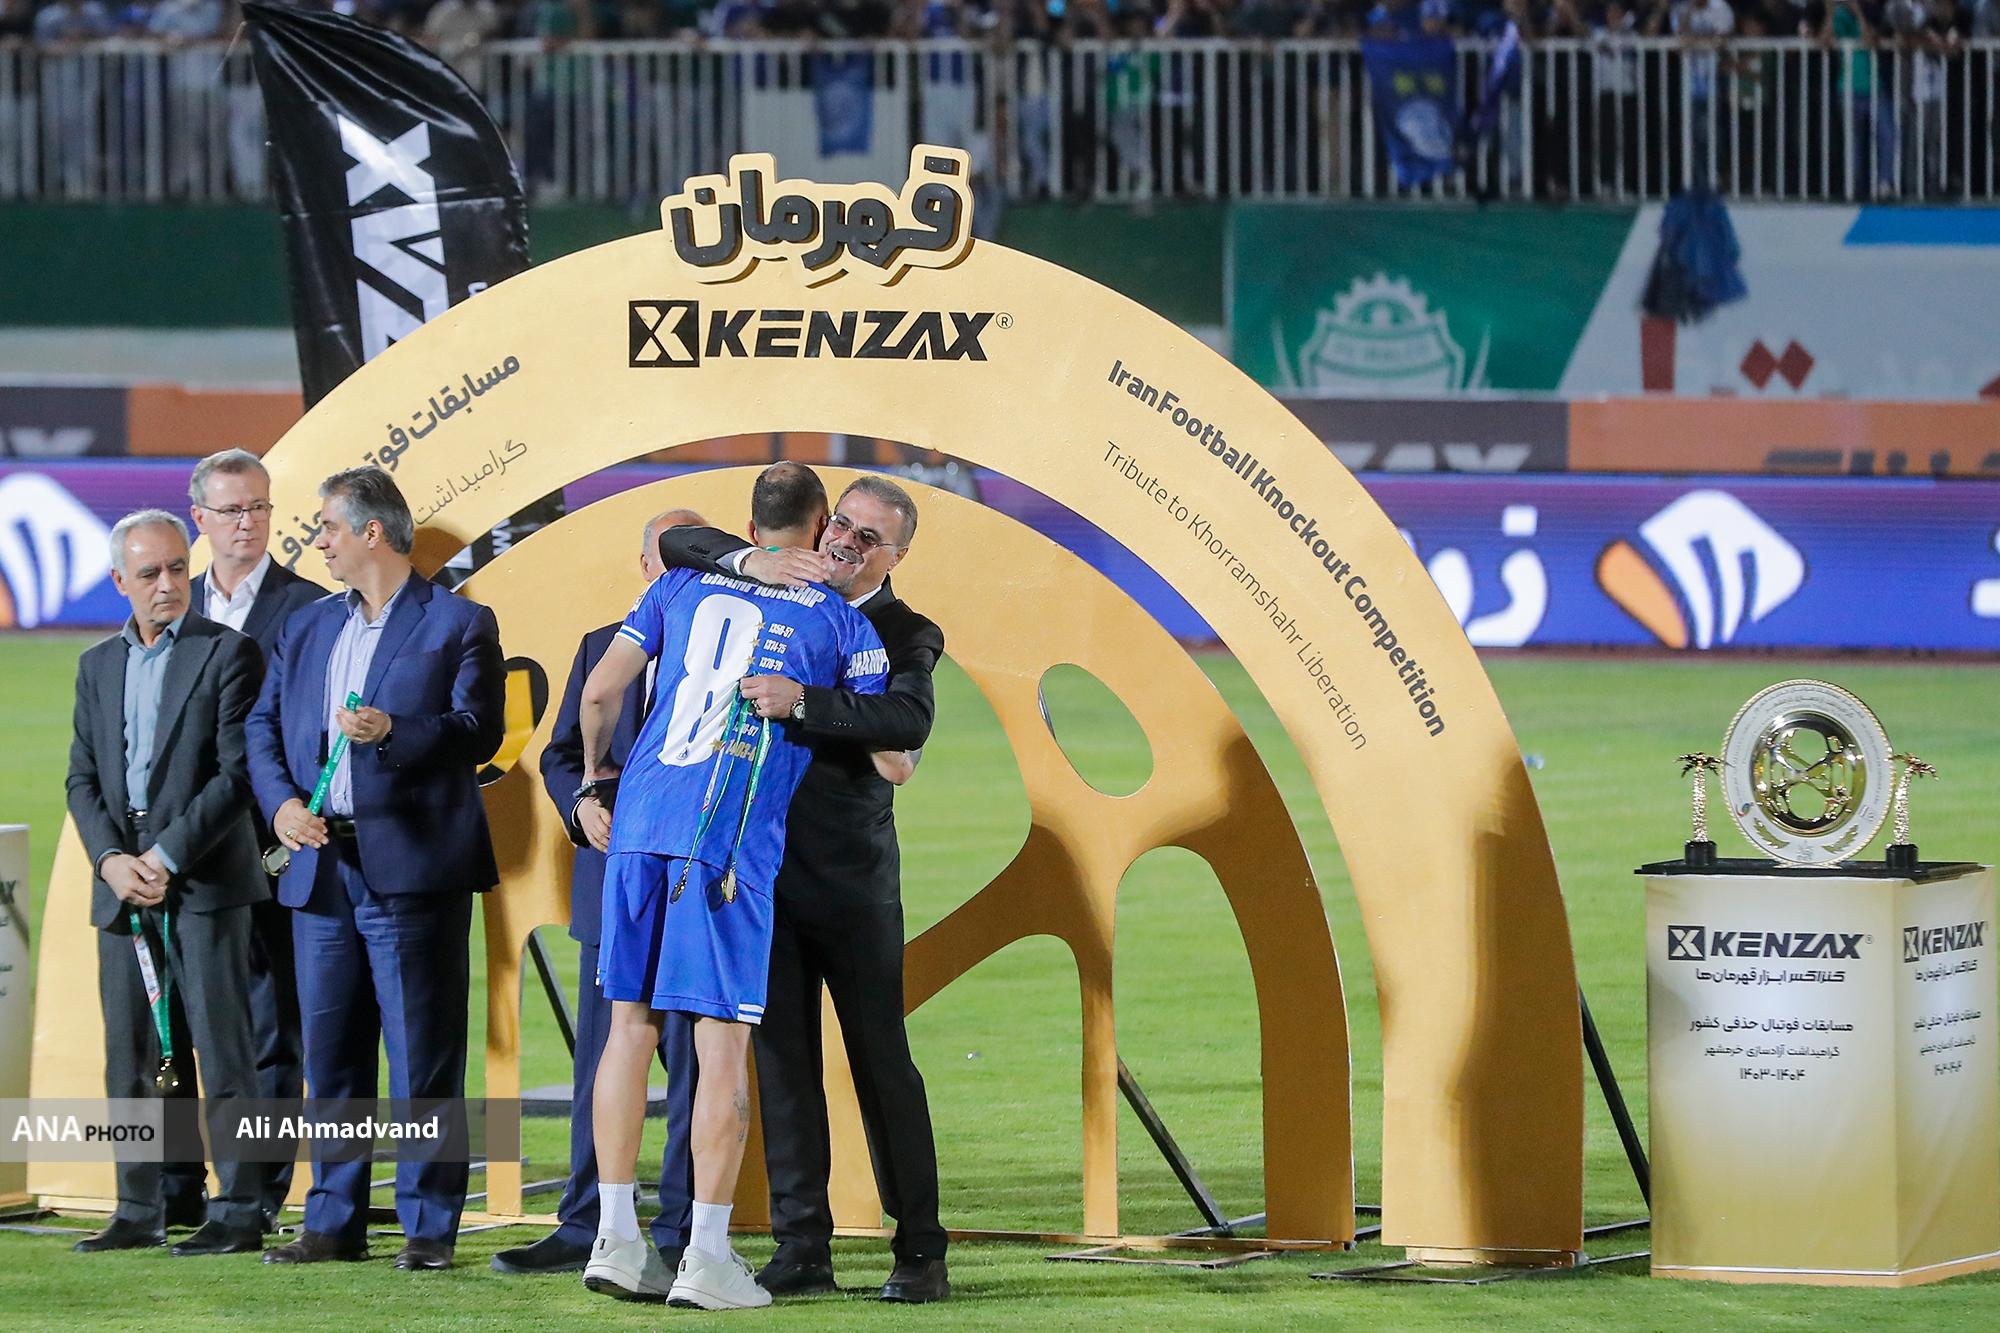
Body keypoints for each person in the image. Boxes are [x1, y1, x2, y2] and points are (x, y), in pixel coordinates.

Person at [580, 462, 888, 1311]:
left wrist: (597, 777)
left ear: (750, 529)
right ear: (821, 527)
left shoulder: (678, 583)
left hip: (639, 824)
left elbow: (602, 690)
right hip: (725, 841)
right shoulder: (839, 618)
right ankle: (707, 1255)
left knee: (628, 1030)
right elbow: (892, 753)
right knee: (720, 1047)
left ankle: (616, 1238)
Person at [657, 473, 950, 1303]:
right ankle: (801, 1246)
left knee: (880, 1061)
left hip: (852, 884)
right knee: (782, 1065)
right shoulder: (770, 587)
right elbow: (678, 541)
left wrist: (804, 703)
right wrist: (753, 559)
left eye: (869, 537)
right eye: (843, 525)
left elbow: (908, 722)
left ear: (898, 555)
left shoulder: (905, 628)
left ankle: (921, 1250)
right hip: (761, 875)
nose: (847, 542)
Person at [246, 466, 505, 1271]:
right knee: (332, 1056)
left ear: (371, 531)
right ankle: (333, 1219)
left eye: (328, 526)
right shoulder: (306, 625)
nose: (317, 541)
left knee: (423, 1057)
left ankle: (429, 1227)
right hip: (320, 867)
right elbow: (261, 725)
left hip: (414, 868)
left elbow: (480, 730)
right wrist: (282, 806)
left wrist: (395, 728)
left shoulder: (459, 621)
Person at [489, 507, 708, 1282]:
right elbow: (558, 756)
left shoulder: (728, 651)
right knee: (600, 1061)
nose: (679, 571)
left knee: (694, 1063)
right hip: (609, 887)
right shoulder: (598, 646)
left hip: (690, 887)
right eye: (668, 557)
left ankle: (682, 1228)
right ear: (644, 566)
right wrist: (581, 808)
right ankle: (585, 1221)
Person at [65, 511, 268, 1257]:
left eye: (179, 568)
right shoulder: (96, 665)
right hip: (121, 880)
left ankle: (240, 1208)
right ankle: (139, 1205)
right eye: (150, 573)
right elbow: (82, 779)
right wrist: (111, 860)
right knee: (131, 1056)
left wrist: (167, 856)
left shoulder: (228, 652)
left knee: (223, 1050)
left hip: (204, 878)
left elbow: (236, 774)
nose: (168, 584)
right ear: (119, 581)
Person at [186, 448, 325, 1230]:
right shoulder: (174, 603)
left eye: (260, 507)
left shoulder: (309, 607)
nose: (249, 522)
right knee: (195, 1018)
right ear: (200, 518)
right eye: (233, 509)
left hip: (269, 847)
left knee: (274, 1024)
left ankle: (259, 1191)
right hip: (187, 850)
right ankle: (181, 1182)